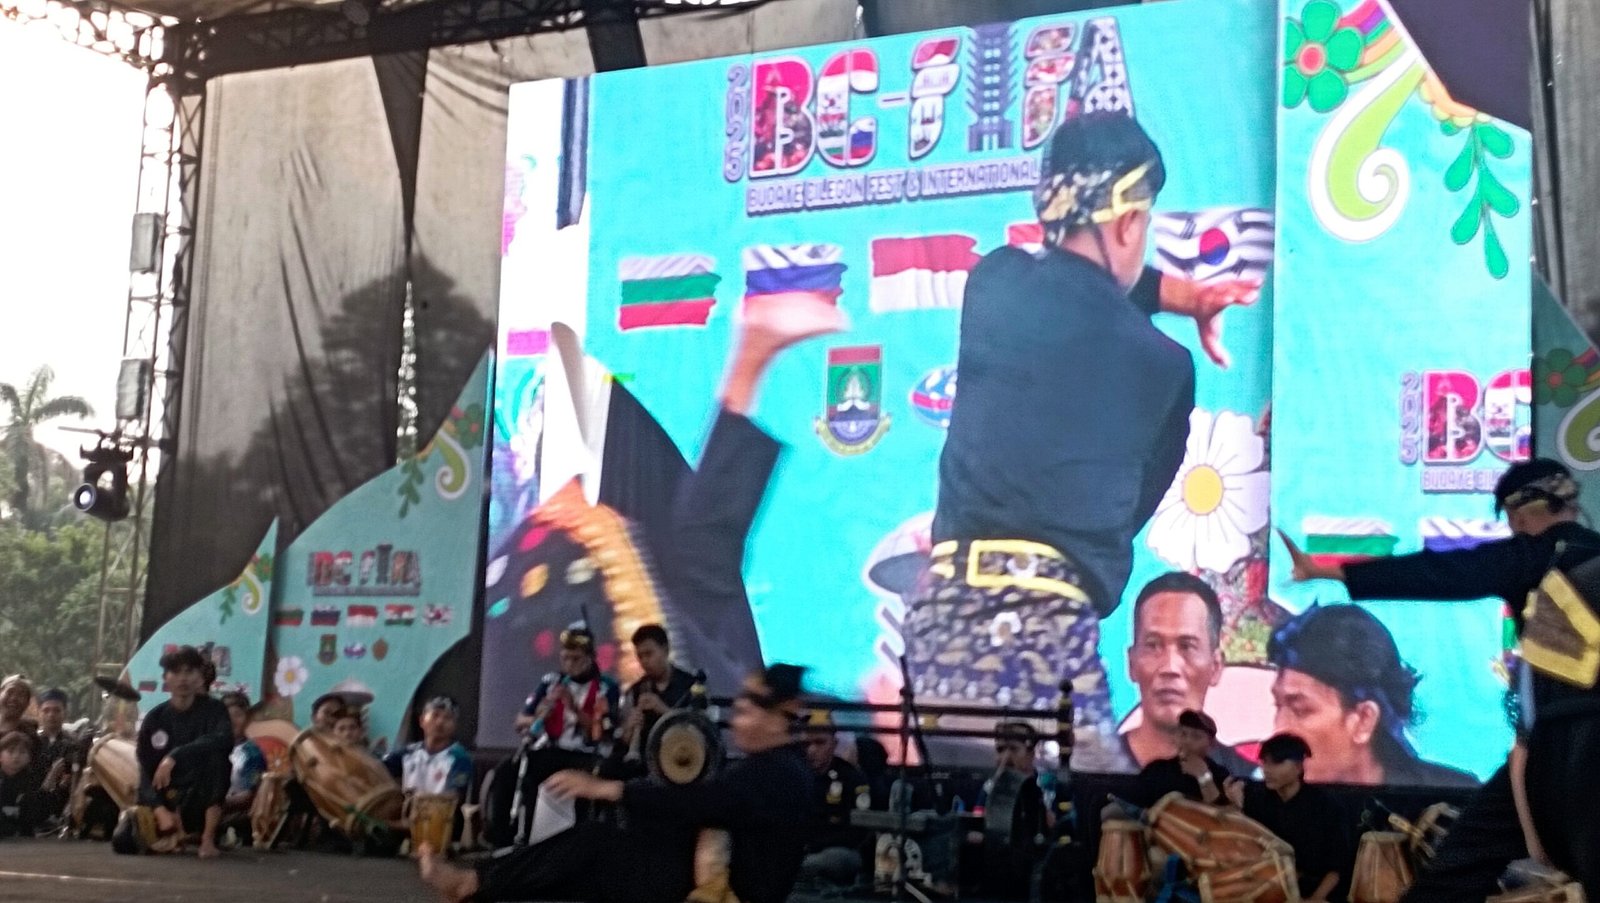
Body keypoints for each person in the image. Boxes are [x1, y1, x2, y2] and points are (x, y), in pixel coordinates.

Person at [910, 111, 1258, 768]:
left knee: (972, 811)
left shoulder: (994, 284)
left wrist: (1171, 293)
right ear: (1128, 223)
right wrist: (1183, 297)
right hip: (1041, 642)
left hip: (938, 637)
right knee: (1107, 819)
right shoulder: (1164, 367)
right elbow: (1128, 510)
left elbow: (1072, 289)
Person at [1279, 458, 1600, 902]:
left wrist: (1327, 571)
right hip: (1555, 744)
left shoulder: (1531, 555)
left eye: (1509, 518)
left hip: (1561, 745)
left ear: (1521, 512)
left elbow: (1440, 573)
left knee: (1456, 871)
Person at [418, 664, 815, 903]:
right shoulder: (774, 767)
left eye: (748, 710)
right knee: (593, 862)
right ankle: (479, 887)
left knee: (595, 845)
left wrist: (611, 790)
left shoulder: (781, 774)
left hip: (726, 892)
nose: (738, 721)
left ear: (779, 718)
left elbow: (702, 801)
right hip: (698, 873)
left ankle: (473, 882)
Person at [1265, 605, 1475, 788]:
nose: (1279, 729)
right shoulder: (1268, 805)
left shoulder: (1452, 799)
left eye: (1301, 711)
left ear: (1364, 719)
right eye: (1277, 706)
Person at [487, 625, 620, 847]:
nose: (570, 665)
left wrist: (573, 707)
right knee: (507, 771)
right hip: (551, 749)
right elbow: (520, 721)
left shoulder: (606, 687)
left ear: (590, 658)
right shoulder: (551, 682)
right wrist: (540, 715)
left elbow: (602, 733)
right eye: (565, 658)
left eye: (576, 659)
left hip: (585, 754)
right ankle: (504, 840)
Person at [1122, 572, 1254, 773]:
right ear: (1132, 664)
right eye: (1153, 645)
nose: (1170, 667)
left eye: (1187, 646)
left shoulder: (1246, 780)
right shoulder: (1091, 767)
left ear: (1215, 666)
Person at [133, 645, 233, 858]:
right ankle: (174, 832)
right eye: (176, 672)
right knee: (124, 839)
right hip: (170, 798)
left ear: (199, 677)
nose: (183, 678)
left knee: (218, 759)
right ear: (165, 678)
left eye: (189, 671)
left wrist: (174, 755)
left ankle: (207, 839)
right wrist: (159, 809)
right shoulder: (155, 718)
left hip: (201, 797)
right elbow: (145, 770)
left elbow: (224, 739)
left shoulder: (214, 710)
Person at [1224, 733, 1350, 903]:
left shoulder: (1324, 805)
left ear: (1298, 767)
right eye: (1264, 763)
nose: (1267, 770)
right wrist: (1236, 802)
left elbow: (1338, 865)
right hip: (1269, 887)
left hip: (1315, 889)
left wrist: (1316, 898)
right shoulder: (1259, 799)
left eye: (1276, 763)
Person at [971, 721, 1051, 901]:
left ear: (1031, 754)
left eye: (1014, 749)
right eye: (1000, 750)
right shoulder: (989, 787)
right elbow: (977, 823)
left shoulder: (1048, 785)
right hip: (996, 869)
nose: (1006, 757)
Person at [612, 624, 702, 777]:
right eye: (640, 656)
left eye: (649, 654)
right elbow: (623, 741)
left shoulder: (691, 686)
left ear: (665, 650)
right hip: (645, 764)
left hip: (682, 760)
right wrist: (629, 727)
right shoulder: (635, 691)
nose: (645, 661)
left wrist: (663, 710)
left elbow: (700, 732)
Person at [798, 714, 871, 888]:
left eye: (820, 743)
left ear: (834, 744)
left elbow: (859, 831)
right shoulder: (793, 776)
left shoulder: (851, 778)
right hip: (796, 849)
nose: (811, 750)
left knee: (834, 859)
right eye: (806, 744)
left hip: (836, 849)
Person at [1127, 709, 1232, 808]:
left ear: (1211, 744)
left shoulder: (1220, 775)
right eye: (1183, 734)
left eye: (1196, 736)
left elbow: (1222, 814)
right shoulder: (1158, 770)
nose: (1187, 741)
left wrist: (1203, 776)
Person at [388, 697, 473, 802]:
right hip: (405, 811)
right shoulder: (407, 753)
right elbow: (379, 768)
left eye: (447, 718)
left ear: (454, 726)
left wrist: (420, 799)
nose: (440, 722)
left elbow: (454, 795)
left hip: (440, 811)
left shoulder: (460, 758)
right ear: (422, 721)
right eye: (435, 715)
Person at [25, 687, 82, 828]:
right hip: (34, 810)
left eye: (57, 710)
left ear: (65, 713)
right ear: (39, 713)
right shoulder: (30, 742)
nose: (51, 715)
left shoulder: (75, 744)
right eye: (46, 710)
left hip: (65, 812)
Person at [221, 692, 266, 833]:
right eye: (227, 716)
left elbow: (249, 796)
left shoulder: (253, 751)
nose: (232, 721)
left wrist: (216, 805)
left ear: (248, 719)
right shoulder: (212, 748)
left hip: (238, 813)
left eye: (238, 715)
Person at [0, 675, 38, 747]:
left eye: (21, 694)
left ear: (27, 702)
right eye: (10, 692)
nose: (14, 698)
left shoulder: (31, 736)